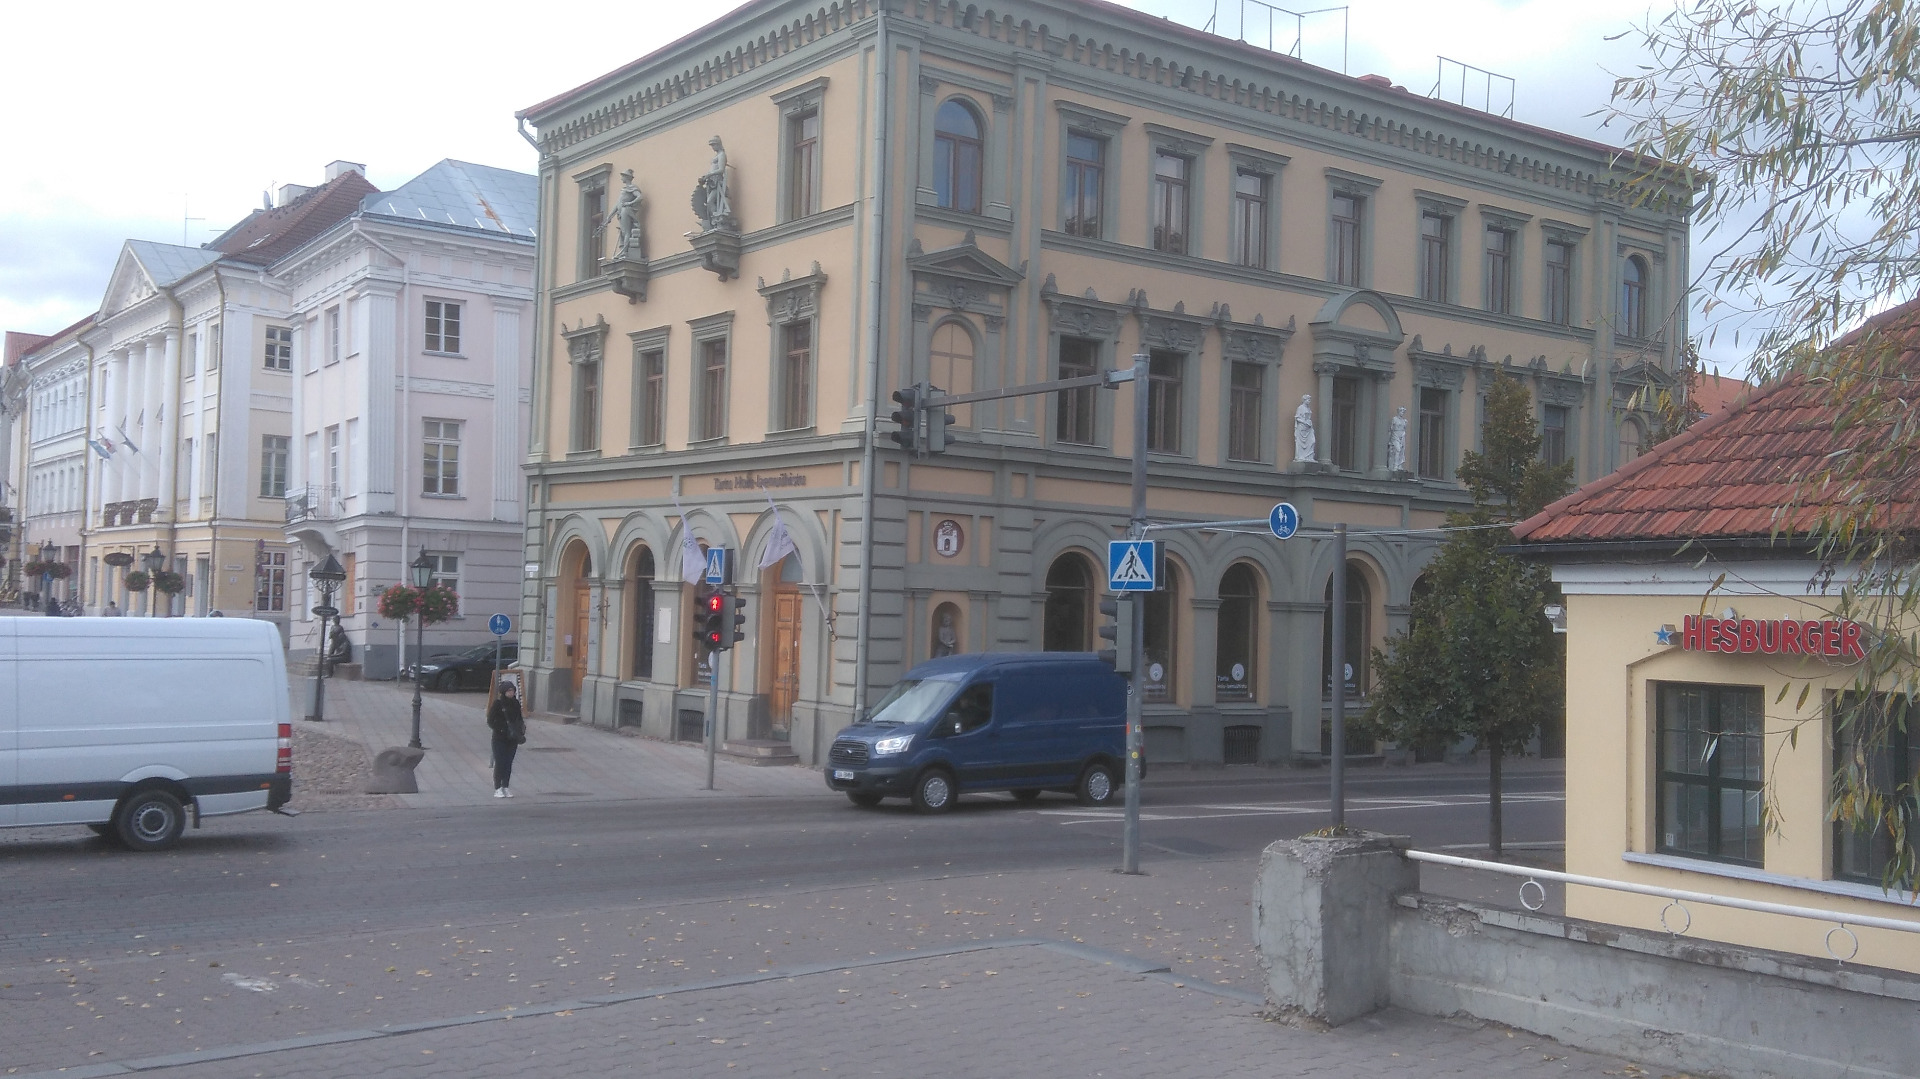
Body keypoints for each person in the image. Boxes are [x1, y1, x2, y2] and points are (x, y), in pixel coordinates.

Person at [487, 680, 526, 798]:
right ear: (504, 692)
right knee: (500, 762)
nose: (511, 693)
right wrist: (501, 729)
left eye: (513, 690)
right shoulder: (498, 704)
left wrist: (521, 729)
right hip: (499, 738)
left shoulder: (515, 703)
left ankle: (506, 786)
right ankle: (497, 788)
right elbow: (490, 721)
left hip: (513, 738)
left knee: (508, 763)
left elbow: (519, 718)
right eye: (509, 690)